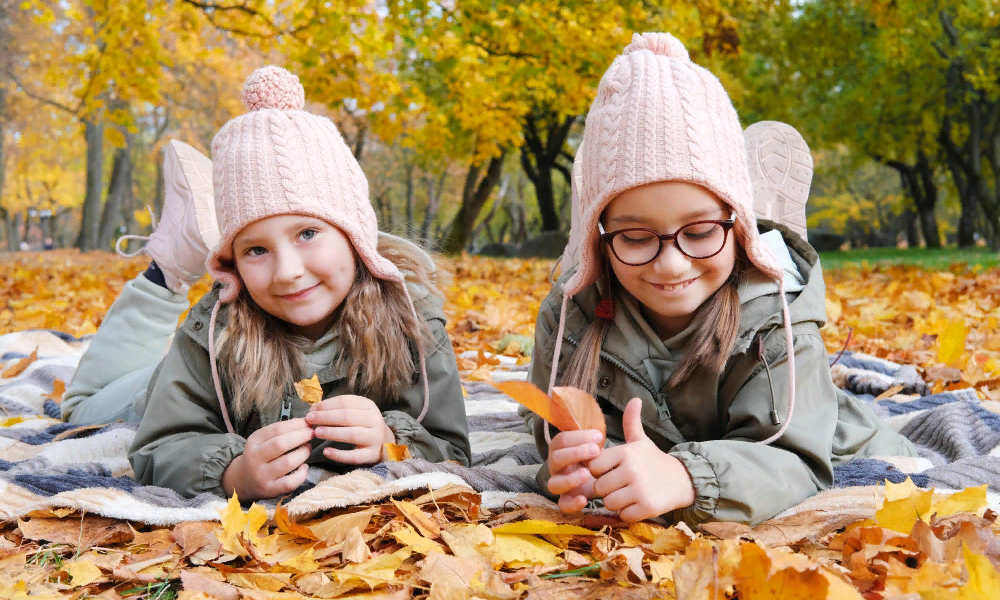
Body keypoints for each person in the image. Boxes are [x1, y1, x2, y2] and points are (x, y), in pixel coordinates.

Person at [526, 33, 916, 527]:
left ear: (739, 226)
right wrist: (572, 468)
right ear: (600, 238)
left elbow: (797, 460)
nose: (670, 265)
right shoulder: (570, 318)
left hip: (822, 440)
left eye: (701, 231)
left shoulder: (775, 317)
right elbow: (549, 433)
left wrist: (687, 478)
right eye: (635, 236)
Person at [61, 66, 471, 500]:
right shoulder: (213, 335)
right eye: (256, 249)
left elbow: (450, 447)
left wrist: (392, 442)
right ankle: (168, 266)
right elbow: (159, 446)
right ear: (233, 264)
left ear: (354, 237)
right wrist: (232, 474)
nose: (287, 271)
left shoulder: (412, 321)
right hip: (161, 387)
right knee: (82, 408)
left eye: (308, 234)